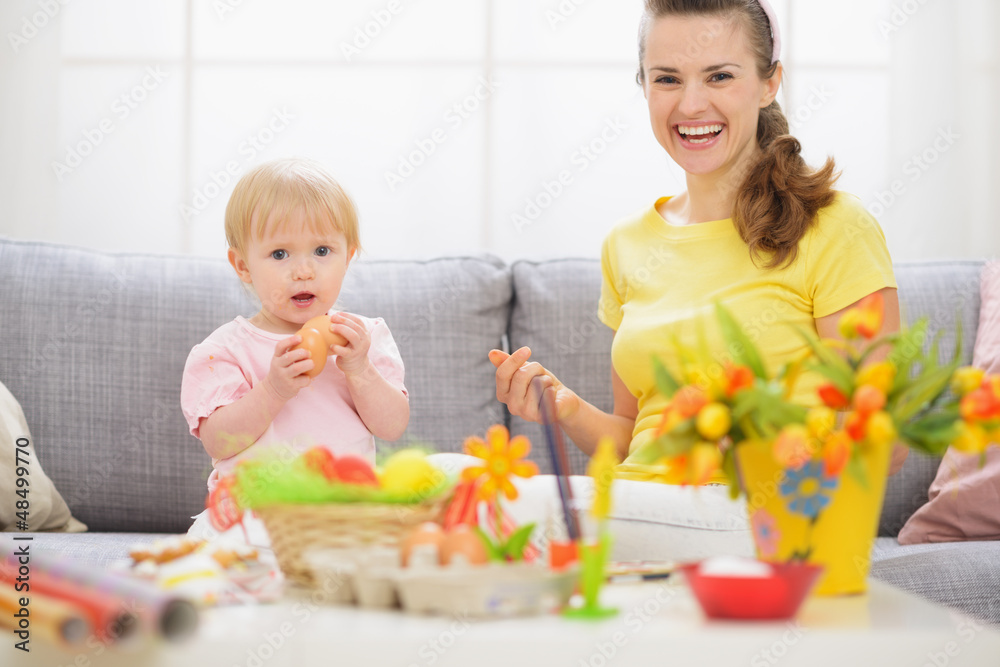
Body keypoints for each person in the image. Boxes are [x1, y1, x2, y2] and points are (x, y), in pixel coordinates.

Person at [488, 0, 904, 557]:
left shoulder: (833, 226)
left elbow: (884, 438)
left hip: (766, 519)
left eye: (719, 76)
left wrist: (759, 447)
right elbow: (634, 439)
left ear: (769, 83)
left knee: (475, 499)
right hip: (644, 517)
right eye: (667, 79)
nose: (690, 104)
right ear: (644, 87)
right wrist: (565, 407)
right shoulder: (627, 244)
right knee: (454, 486)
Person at [181, 158, 410, 507]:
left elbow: (392, 427)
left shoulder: (362, 338)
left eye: (322, 251)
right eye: (280, 254)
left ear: (347, 257)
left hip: (341, 516)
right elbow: (219, 442)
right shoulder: (225, 350)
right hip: (255, 516)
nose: (303, 271)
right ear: (243, 266)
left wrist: (360, 369)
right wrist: (273, 390)